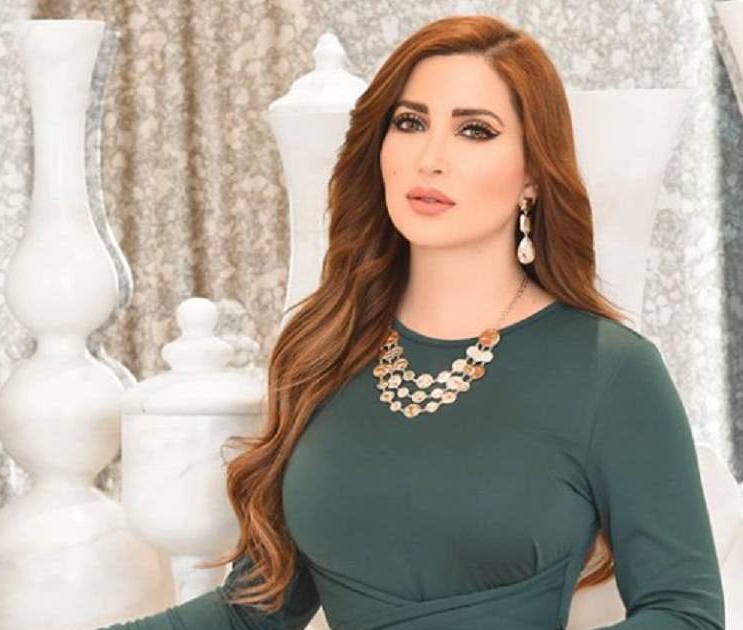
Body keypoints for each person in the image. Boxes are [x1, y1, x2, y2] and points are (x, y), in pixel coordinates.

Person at [99, 14, 725, 630]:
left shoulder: (610, 370)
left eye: (474, 131)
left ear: (533, 173)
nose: (430, 157)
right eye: (410, 122)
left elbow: (685, 614)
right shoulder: (323, 345)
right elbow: (252, 612)